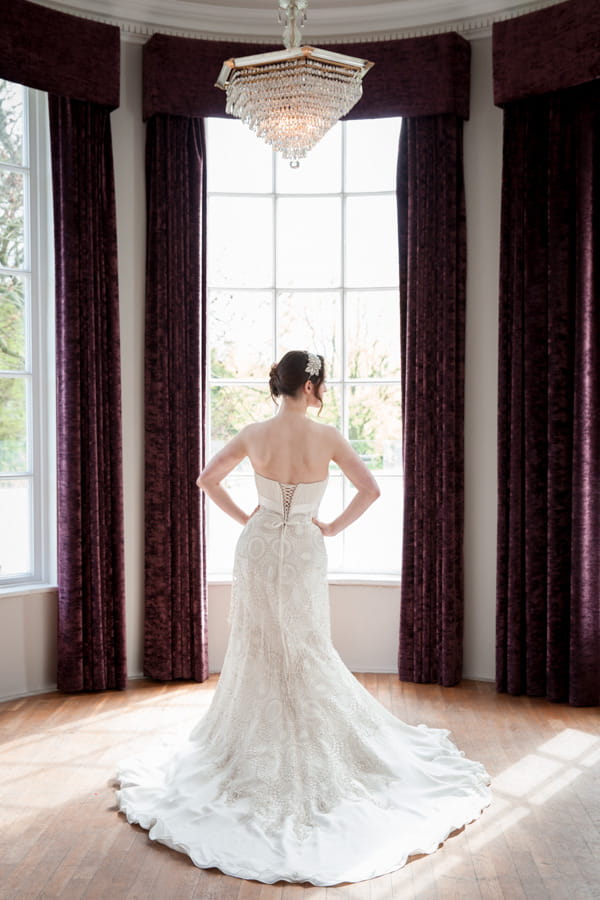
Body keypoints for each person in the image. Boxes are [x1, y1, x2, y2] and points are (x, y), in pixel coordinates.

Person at [116, 350, 491, 886]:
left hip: (259, 544)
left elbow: (206, 479)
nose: (324, 391)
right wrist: (331, 526)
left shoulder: (252, 432)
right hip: (305, 547)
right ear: (311, 386)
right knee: (307, 642)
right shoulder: (329, 437)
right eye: (323, 383)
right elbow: (372, 488)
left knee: (259, 642)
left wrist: (248, 515)